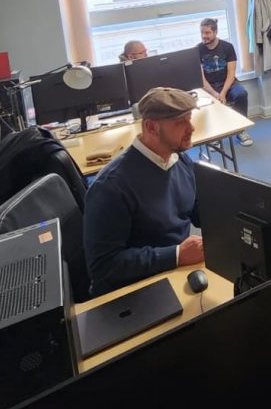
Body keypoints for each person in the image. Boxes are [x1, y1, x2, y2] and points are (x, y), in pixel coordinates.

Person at [83, 87, 203, 296]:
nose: (191, 128)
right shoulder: (111, 186)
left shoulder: (179, 159)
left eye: (189, 119)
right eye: (180, 122)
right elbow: (103, 266)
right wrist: (176, 255)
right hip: (135, 289)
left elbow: (195, 209)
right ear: (151, 127)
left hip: (176, 271)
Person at [198, 17, 253, 147]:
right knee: (206, 102)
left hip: (227, 83)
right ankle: (215, 135)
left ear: (215, 32)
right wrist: (214, 93)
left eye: (207, 33)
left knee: (241, 94)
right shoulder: (198, 49)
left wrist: (222, 93)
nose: (204, 36)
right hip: (209, 86)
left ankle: (240, 130)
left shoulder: (227, 47)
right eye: (202, 33)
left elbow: (231, 74)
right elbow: (201, 79)